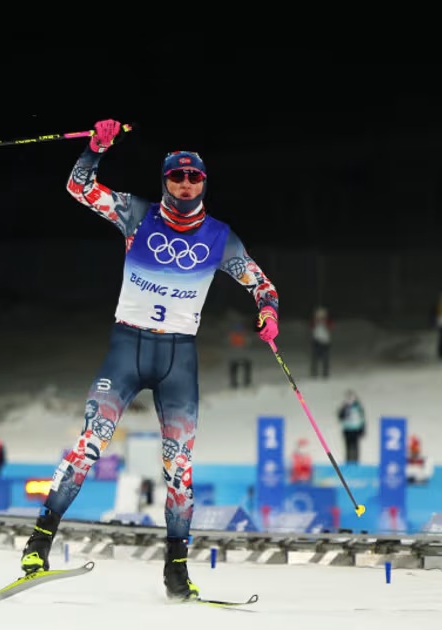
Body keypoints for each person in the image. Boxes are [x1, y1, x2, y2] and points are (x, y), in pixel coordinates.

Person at [18, 120, 280, 602]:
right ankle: (38, 546)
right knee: (89, 444)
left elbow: (262, 285)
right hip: (128, 348)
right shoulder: (136, 214)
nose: (185, 183)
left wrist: (269, 312)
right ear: (165, 180)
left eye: (194, 177)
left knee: (179, 469)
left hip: (178, 358)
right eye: (177, 175)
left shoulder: (220, 237)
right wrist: (95, 148)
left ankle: (176, 571)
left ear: (204, 183)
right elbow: (79, 188)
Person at [337, 389, 366, 464]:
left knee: (355, 446)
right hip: (347, 429)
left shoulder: (358, 407)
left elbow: (362, 419)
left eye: (352, 398)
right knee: (348, 446)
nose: (350, 400)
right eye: (348, 398)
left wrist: (363, 429)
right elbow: (340, 417)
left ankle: (355, 461)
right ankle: (348, 461)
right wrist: (344, 408)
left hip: (356, 429)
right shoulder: (344, 407)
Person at [226, 319, 251, 388]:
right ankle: (245, 382)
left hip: (237, 357)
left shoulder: (232, 336)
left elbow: (228, 345)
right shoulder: (243, 336)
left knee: (234, 368)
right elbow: (248, 344)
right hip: (239, 356)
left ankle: (235, 383)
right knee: (245, 366)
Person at [310, 306, 332, 378]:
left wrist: (324, 322)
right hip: (316, 341)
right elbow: (311, 327)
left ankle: (325, 373)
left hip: (325, 342)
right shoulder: (315, 322)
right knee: (315, 358)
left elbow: (331, 327)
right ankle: (314, 373)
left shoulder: (327, 322)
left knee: (325, 358)